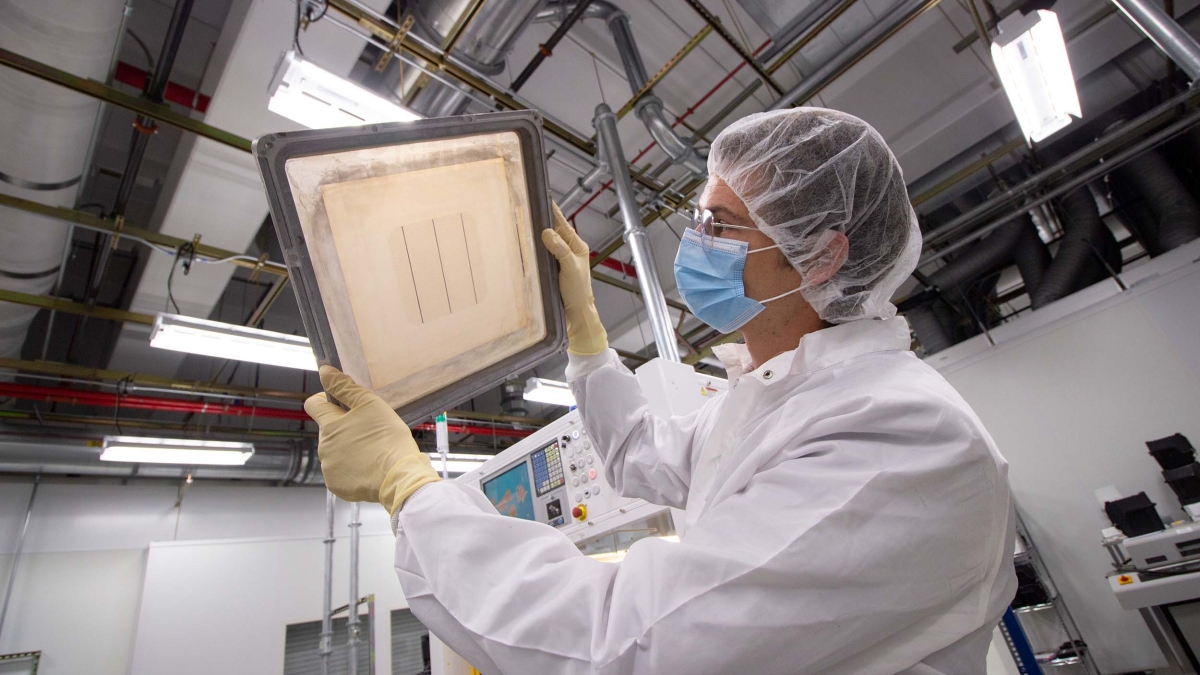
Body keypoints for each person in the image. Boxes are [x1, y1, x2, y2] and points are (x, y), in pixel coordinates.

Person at [305, 108, 1016, 675]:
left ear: (822, 254)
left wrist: (410, 489)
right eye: (697, 219)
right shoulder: (775, 399)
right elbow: (641, 453)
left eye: (721, 226)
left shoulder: (900, 433)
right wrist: (586, 336)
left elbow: (626, 643)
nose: (695, 242)